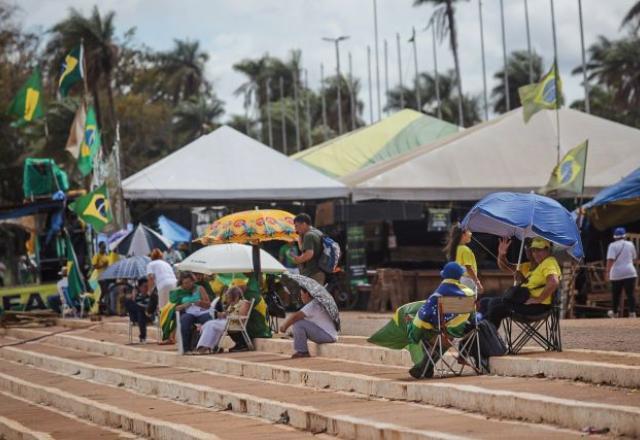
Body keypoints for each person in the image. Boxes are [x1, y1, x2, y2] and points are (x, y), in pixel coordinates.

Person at [406, 262, 476, 378]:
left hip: (439, 332)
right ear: (459, 277)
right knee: (443, 337)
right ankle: (427, 368)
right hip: (458, 332)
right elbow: (472, 315)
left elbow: (424, 316)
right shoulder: (469, 293)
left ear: (443, 276)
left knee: (423, 330)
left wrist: (411, 324)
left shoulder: (437, 295)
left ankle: (423, 367)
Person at [480, 238, 560, 328]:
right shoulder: (530, 266)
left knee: (496, 306)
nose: (535, 253)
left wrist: (539, 299)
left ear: (548, 250)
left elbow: (553, 281)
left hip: (537, 307)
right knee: (485, 302)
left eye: (539, 250)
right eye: (533, 250)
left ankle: (488, 335)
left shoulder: (548, 262)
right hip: (524, 302)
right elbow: (506, 267)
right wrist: (502, 255)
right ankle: (480, 331)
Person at [279, 273, 340, 358]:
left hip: (327, 336)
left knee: (298, 323)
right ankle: (302, 349)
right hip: (330, 335)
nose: (301, 297)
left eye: (301, 294)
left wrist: (284, 327)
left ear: (307, 294)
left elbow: (295, 317)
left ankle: (302, 352)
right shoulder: (316, 302)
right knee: (301, 323)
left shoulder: (312, 305)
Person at [195, 286, 250, 354]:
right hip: (228, 321)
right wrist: (223, 314)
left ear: (235, 296)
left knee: (211, 324)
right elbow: (228, 313)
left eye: (229, 297)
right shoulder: (232, 305)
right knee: (208, 324)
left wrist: (227, 315)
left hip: (234, 323)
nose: (227, 300)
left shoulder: (244, 303)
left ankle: (203, 347)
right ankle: (209, 347)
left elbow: (242, 316)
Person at [175, 271, 212, 353]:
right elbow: (175, 308)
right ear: (182, 283)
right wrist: (185, 305)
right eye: (185, 283)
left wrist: (200, 303)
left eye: (189, 282)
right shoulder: (179, 292)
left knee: (208, 321)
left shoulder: (200, 288)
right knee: (184, 322)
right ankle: (186, 348)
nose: (187, 285)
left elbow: (208, 304)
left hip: (201, 311)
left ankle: (206, 346)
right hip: (188, 313)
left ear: (193, 281)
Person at [605, 227, 638, 318]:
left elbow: (610, 260)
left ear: (615, 237)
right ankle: (632, 313)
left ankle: (615, 313)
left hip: (616, 274)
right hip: (630, 272)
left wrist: (607, 272)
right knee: (630, 294)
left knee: (616, 294)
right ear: (624, 236)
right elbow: (634, 258)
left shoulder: (612, 245)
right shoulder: (630, 244)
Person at [444, 224, 483, 293]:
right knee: (470, 302)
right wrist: (477, 282)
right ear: (463, 234)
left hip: (460, 279)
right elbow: (469, 268)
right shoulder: (465, 250)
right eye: (468, 231)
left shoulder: (456, 248)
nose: (470, 233)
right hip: (468, 280)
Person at [292, 213, 325, 285]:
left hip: (312, 273)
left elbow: (309, 254)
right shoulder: (317, 232)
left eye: (297, 226)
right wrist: (300, 236)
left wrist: (298, 260)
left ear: (304, 224)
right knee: (317, 295)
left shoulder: (309, 235)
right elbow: (302, 248)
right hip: (320, 272)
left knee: (308, 295)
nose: (296, 229)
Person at [124, 278, 158, 343]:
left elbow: (153, 307)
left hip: (148, 316)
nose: (146, 288)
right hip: (136, 317)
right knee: (129, 302)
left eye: (147, 286)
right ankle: (142, 337)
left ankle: (142, 337)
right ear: (140, 287)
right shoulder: (136, 297)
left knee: (141, 312)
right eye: (144, 286)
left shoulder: (151, 297)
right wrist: (133, 297)